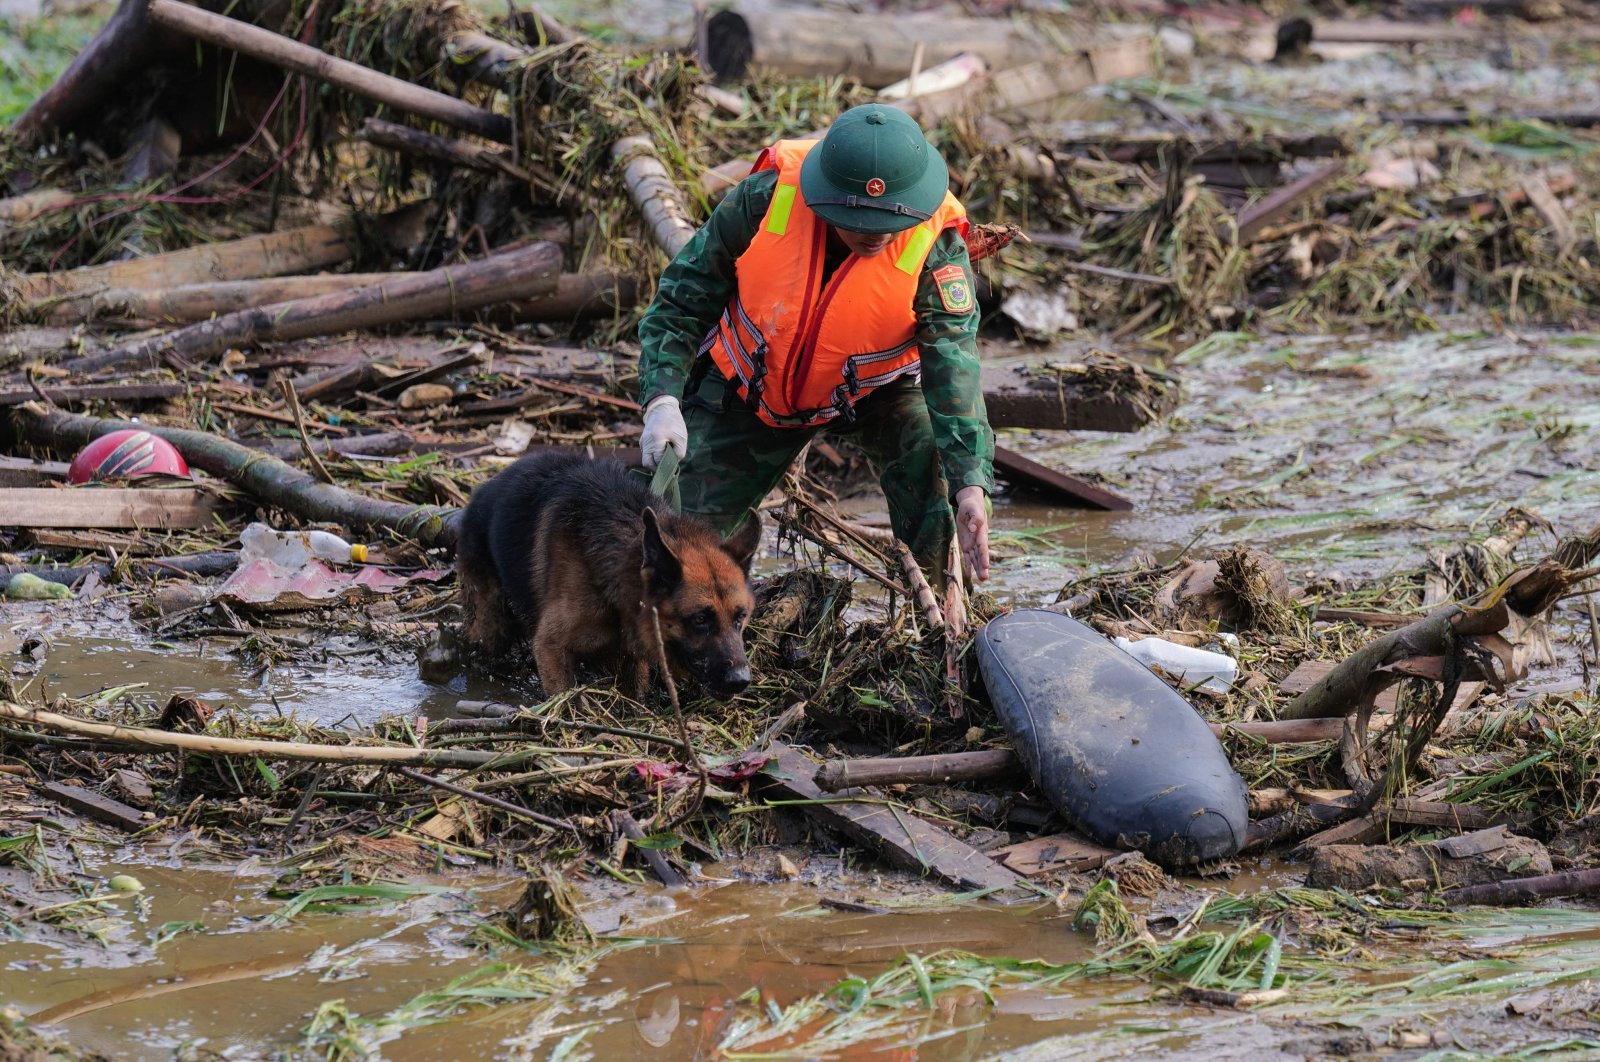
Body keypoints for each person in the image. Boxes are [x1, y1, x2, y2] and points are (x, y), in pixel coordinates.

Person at [636, 103, 995, 584]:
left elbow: (953, 364)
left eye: (889, 223)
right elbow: (681, 304)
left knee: (927, 454)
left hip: (871, 394)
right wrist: (662, 400)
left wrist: (971, 482)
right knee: (677, 541)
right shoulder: (764, 201)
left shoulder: (937, 247)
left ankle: (935, 607)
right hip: (751, 393)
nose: (876, 237)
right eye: (861, 224)